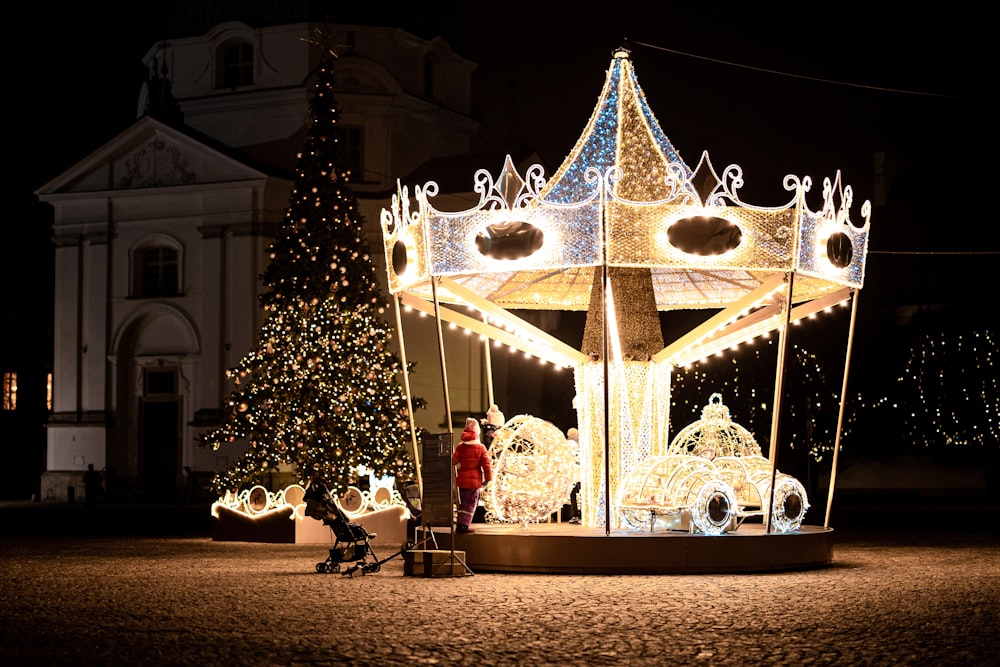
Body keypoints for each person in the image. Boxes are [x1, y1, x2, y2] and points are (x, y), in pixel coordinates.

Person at [452, 417, 492, 534]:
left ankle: (460, 523)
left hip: (461, 480)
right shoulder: (480, 448)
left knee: (462, 503)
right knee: (470, 504)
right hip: (474, 481)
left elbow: (454, 461)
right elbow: (486, 466)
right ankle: (463, 525)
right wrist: (488, 479)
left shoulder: (460, 446)